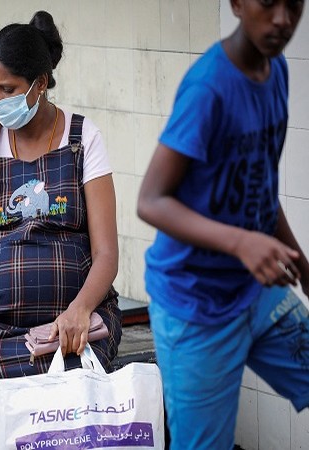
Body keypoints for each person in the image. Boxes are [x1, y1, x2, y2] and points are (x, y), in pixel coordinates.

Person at [137, 0, 309, 448]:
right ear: (235, 3)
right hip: (195, 308)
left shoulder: (277, 72)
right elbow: (151, 201)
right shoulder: (208, 88)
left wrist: (302, 266)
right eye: (267, 3)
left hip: (254, 293)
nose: (282, 19)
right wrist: (242, 244)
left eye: (295, 5)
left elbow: (260, 189)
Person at [0, 10, 122, 387]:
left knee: (72, 383)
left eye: (7, 89)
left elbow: (107, 253)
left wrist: (80, 309)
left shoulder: (82, 138)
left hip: (72, 325)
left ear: (39, 83)